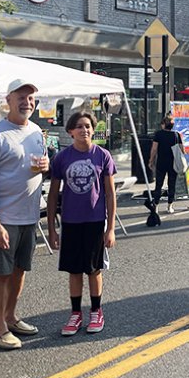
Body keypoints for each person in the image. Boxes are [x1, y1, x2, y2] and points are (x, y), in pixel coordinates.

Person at [0, 79, 50, 351]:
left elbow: (40, 167)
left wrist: (47, 165)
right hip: (4, 218)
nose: (27, 102)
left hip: (30, 216)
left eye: (31, 98)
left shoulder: (36, 132)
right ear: (8, 100)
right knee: (1, 273)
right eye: (21, 96)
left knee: (20, 271)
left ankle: (11, 316)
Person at [48, 111, 117, 336]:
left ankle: (96, 311)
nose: (84, 130)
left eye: (87, 126)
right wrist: (52, 229)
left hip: (95, 220)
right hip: (70, 221)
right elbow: (53, 195)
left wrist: (111, 229)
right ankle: (75, 313)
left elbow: (110, 193)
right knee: (74, 270)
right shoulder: (61, 158)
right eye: (78, 126)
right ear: (70, 131)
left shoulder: (102, 156)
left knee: (94, 269)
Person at [149, 115, 185, 214]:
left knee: (158, 185)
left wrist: (151, 160)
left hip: (161, 162)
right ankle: (170, 206)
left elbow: (154, 149)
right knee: (171, 184)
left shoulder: (159, 134)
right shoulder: (176, 135)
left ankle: (155, 205)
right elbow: (182, 150)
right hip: (173, 163)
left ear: (164, 124)